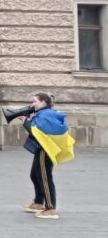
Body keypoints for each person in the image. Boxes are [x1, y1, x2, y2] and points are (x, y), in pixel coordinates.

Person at [20, 92, 75, 220]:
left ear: (44, 102)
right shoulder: (43, 114)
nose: (32, 104)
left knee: (45, 178)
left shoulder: (46, 115)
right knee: (34, 174)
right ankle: (39, 202)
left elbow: (37, 132)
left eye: (35, 101)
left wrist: (26, 123)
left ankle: (50, 208)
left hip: (46, 149)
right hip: (41, 148)